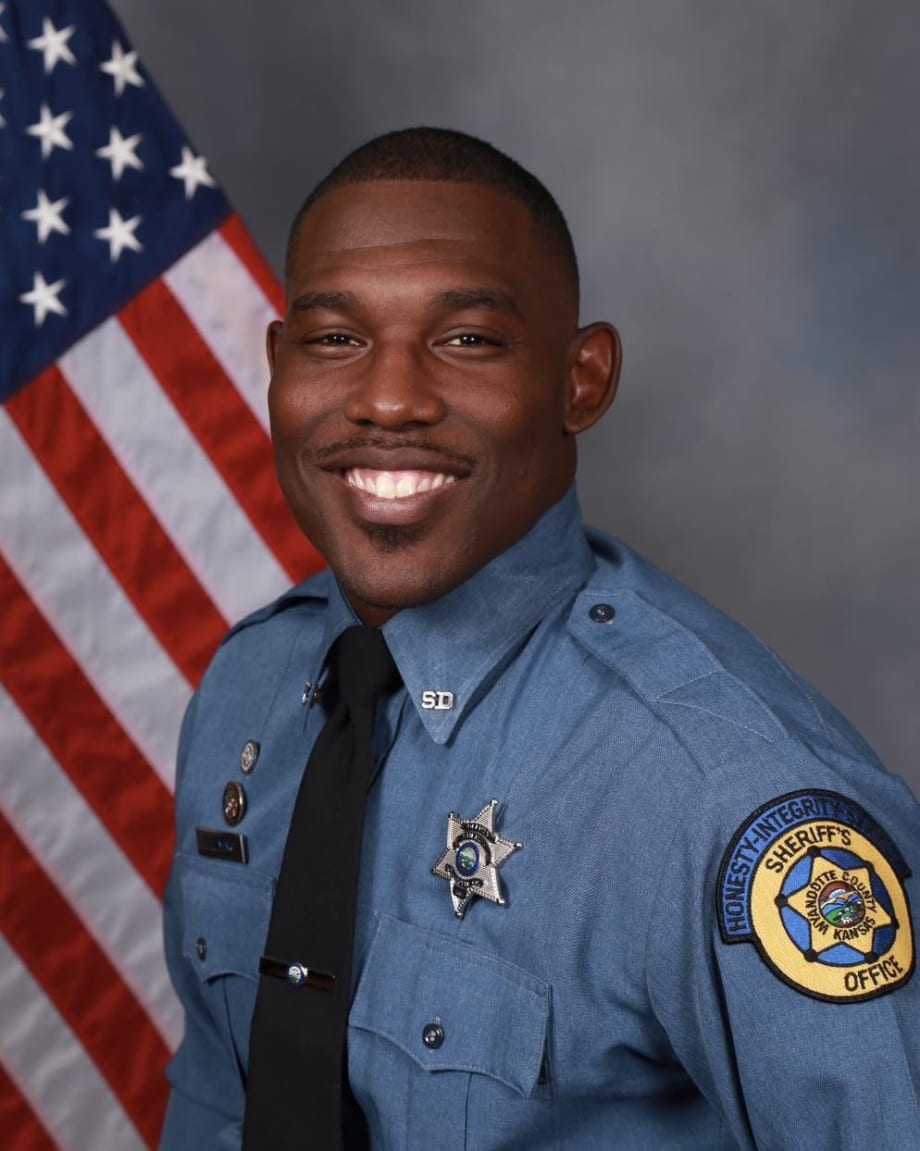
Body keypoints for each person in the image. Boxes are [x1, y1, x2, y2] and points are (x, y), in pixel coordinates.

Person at [159, 127, 919, 1150]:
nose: (386, 398)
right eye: (334, 338)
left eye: (466, 339)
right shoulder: (247, 686)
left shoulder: (722, 792)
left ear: (580, 380)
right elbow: (218, 1099)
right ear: (274, 367)